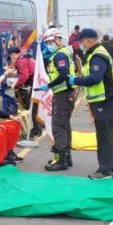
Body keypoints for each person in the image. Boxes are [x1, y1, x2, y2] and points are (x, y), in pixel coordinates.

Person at [66, 29, 113, 180]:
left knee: (104, 135)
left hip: (105, 100)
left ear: (88, 40)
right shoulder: (95, 53)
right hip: (107, 99)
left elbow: (95, 78)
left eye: (81, 41)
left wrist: (75, 80)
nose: (80, 44)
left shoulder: (97, 55)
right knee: (110, 133)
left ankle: (104, 171)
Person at [38, 28, 76, 172]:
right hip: (66, 93)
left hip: (63, 94)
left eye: (50, 41)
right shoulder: (63, 53)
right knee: (65, 125)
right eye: (47, 42)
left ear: (58, 40)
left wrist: (48, 85)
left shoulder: (60, 55)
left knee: (58, 126)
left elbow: (63, 75)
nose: (49, 44)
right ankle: (66, 157)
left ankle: (61, 160)